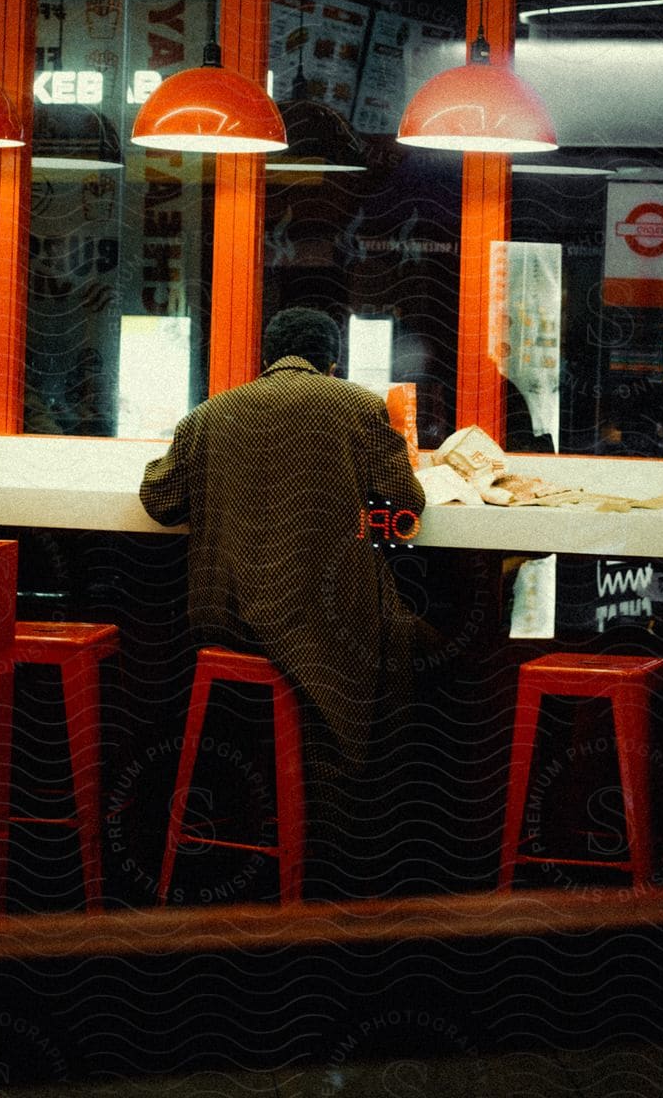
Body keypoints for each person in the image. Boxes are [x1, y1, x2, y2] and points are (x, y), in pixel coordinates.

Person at [139, 306, 439, 901]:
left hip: (224, 627)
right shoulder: (356, 407)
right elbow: (406, 510)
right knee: (415, 644)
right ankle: (364, 854)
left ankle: (245, 828)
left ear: (265, 358)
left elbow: (158, 499)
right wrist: (353, 521)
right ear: (332, 361)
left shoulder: (209, 416)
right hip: (330, 623)